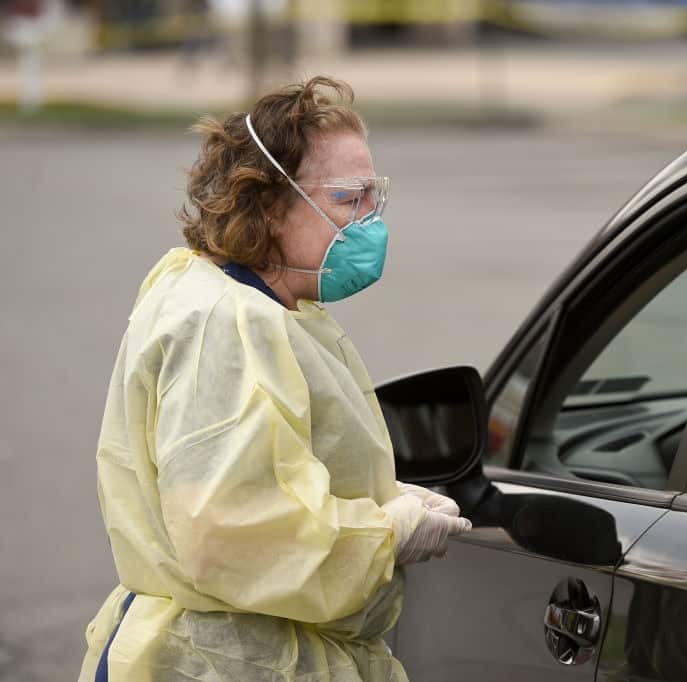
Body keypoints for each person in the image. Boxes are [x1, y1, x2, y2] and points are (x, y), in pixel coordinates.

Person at [78, 76, 472, 682]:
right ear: (268, 204)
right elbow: (236, 533)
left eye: (375, 198)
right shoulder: (225, 324)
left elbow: (276, 474)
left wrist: (386, 502)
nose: (370, 223)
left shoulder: (245, 297)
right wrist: (386, 534)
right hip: (219, 663)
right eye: (348, 200)